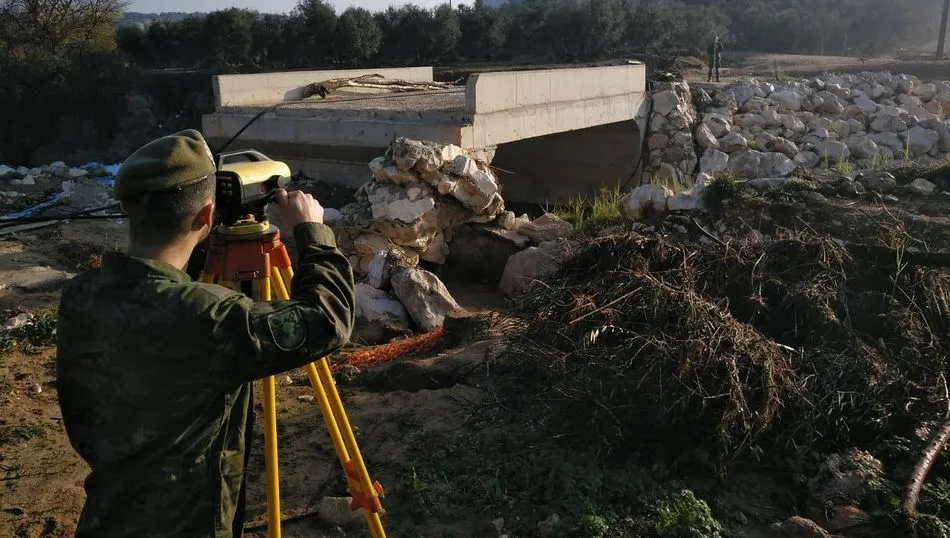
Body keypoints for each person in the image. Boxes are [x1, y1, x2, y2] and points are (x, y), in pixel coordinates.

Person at [55, 129, 356, 538]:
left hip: (109, 515)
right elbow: (326, 320)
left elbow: (164, 303)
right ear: (205, 215)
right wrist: (314, 235)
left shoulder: (81, 296)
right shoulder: (210, 317)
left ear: (128, 207)